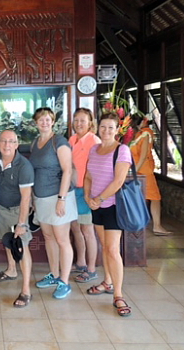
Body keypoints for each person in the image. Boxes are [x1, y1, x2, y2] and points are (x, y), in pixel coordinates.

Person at [85, 112, 132, 317]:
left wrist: (100, 199)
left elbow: (118, 181)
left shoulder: (122, 150)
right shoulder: (94, 149)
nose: (106, 131)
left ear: (117, 130)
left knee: (113, 250)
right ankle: (107, 282)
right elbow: (87, 176)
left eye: (110, 127)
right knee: (105, 246)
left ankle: (118, 295)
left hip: (112, 205)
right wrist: (88, 197)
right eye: (103, 127)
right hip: (96, 206)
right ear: (98, 128)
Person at [30, 107, 77, 299]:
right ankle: (54, 274)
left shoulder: (59, 141)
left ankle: (64, 281)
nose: (44, 122)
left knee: (62, 239)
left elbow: (67, 170)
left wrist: (62, 199)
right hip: (41, 198)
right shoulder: (35, 142)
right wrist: (33, 198)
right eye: (41, 120)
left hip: (59, 197)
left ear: (53, 121)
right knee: (48, 237)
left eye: (48, 119)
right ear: (35, 122)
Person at [0, 130, 35, 307]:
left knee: (22, 247)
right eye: (3, 141)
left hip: (18, 210)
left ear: (17, 144)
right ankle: (11, 270)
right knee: (7, 241)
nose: (7, 145)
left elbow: (26, 197)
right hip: (1, 209)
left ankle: (26, 290)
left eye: (11, 142)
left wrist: (22, 223)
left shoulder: (24, 166)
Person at [68, 108, 101, 283]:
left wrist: (91, 194)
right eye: (76, 120)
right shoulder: (72, 139)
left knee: (88, 230)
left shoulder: (94, 141)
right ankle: (80, 262)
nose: (79, 124)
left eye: (83, 120)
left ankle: (91, 268)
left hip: (86, 191)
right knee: (75, 228)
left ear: (90, 123)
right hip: (72, 189)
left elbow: (95, 169)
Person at [129, 113, 171, 236]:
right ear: (143, 122)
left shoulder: (132, 136)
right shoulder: (145, 134)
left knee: (138, 198)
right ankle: (157, 225)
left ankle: (136, 225)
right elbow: (143, 157)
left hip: (133, 170)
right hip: (144, 171)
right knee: (155, 198)